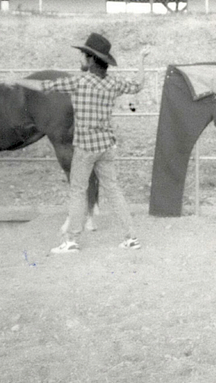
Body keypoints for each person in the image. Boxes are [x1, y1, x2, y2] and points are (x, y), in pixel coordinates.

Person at [9, 32, 147, 253]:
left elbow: (45, 86)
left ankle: (71, 240)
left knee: (77, 191)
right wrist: (141, 60)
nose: (81, 58)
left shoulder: (79, 82)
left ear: (91, 60)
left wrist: (18, 80)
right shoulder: (113, 83)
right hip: (106, 146)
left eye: (83, 55)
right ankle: (131, 237)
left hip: (85, 148)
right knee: (113, 190)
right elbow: (138, 84)